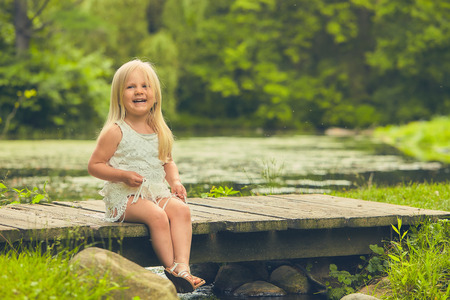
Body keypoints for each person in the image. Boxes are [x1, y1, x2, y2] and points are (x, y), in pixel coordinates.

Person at [88, 59, 205, 293]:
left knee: (181, 210)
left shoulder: (159, 128)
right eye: (131, 87)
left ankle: (183, 268)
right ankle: (170, 268)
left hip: (154, 193)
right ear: (119, 95)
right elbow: (95, 165)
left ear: (155, 94)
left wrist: (175, 182)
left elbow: (168, 161)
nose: (139, 91)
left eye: (145, 86)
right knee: (158, 216)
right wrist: (122, 175)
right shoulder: (116, 130)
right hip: (125, 198)